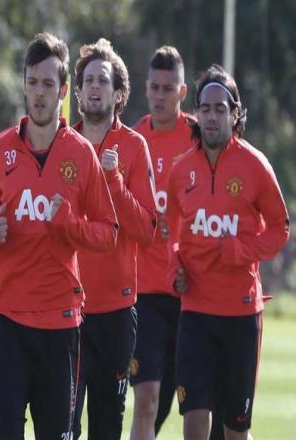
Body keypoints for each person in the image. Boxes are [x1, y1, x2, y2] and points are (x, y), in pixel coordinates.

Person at [0, 33, 118, 439]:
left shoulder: (81, 154)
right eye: (32, 82)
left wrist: (69, 224)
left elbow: (108, 233)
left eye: (48, 84)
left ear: (64, 91)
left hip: (60, 322)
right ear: (23, 85)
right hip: (8, 320)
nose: (39, 93)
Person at [166, 64, 290, 440]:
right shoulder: (181, 171)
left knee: (235, 431)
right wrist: (175, 267)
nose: (212, 116)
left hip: (240, 316)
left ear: (235, 114)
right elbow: (170, 232)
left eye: (220, 109)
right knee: (194, 422)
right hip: (195, 314)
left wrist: (241, 250)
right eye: (205, 108)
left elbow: (280, 229)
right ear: (196, 113)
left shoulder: (255, 166)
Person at [71, 38, 156, 440]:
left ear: (119, 94)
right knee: (62, 426)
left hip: (117, 313)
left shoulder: (134, 147)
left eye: (103, 80)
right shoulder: (62, 144)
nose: (94, 87)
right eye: (88, 80)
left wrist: (115, 181)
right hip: (65, 310)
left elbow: (146, 230)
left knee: (106, 429)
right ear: (77, 92)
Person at [129, 45, 195, 439]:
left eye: (168, 89)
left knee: (189, 405)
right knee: (147, 399)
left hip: (192, 293)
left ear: (182, 92)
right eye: (154, 87)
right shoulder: (134, 140)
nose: (160, 95)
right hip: (146, 293)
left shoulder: (199, 138)